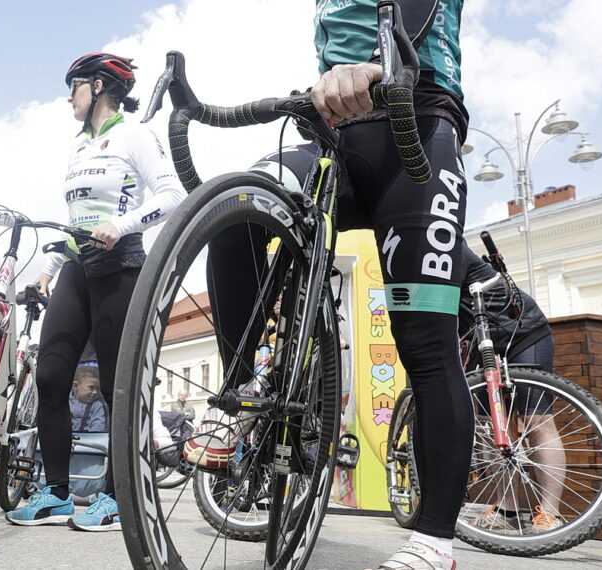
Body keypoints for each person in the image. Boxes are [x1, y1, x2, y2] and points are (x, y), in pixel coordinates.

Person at [199, 2, 469, 565]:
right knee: (235, 208)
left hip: (415, 126)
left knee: (424, 342)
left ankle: (435, 540)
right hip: (332, 139)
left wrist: (377, 63)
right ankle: (244, 391)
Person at [5, 52, 186, 531]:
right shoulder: (79, 146)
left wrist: (122, 224)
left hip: (121, 266)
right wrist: (48, 269)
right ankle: (57, 494)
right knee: (50, 377)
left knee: (114, 387)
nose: (69, 97)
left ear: (100, 86)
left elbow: (172, 195)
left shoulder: (134, 135)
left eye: (75, 87)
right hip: (78, 268)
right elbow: (72, 223)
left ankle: (114, 496)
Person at [458, 247, 566, 533]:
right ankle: (506, 508)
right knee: (493, 426)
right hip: (479, 343)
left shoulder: (445, 247)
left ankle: (550, 514)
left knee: (536, 421)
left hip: (523, 332)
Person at [70, 363, 108, 432]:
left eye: (98, 388)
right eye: (91, 387)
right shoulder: (65, 403)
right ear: (75, 386)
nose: (95, 392)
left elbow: (98, 429)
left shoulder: (97, 406)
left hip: (87, 441)